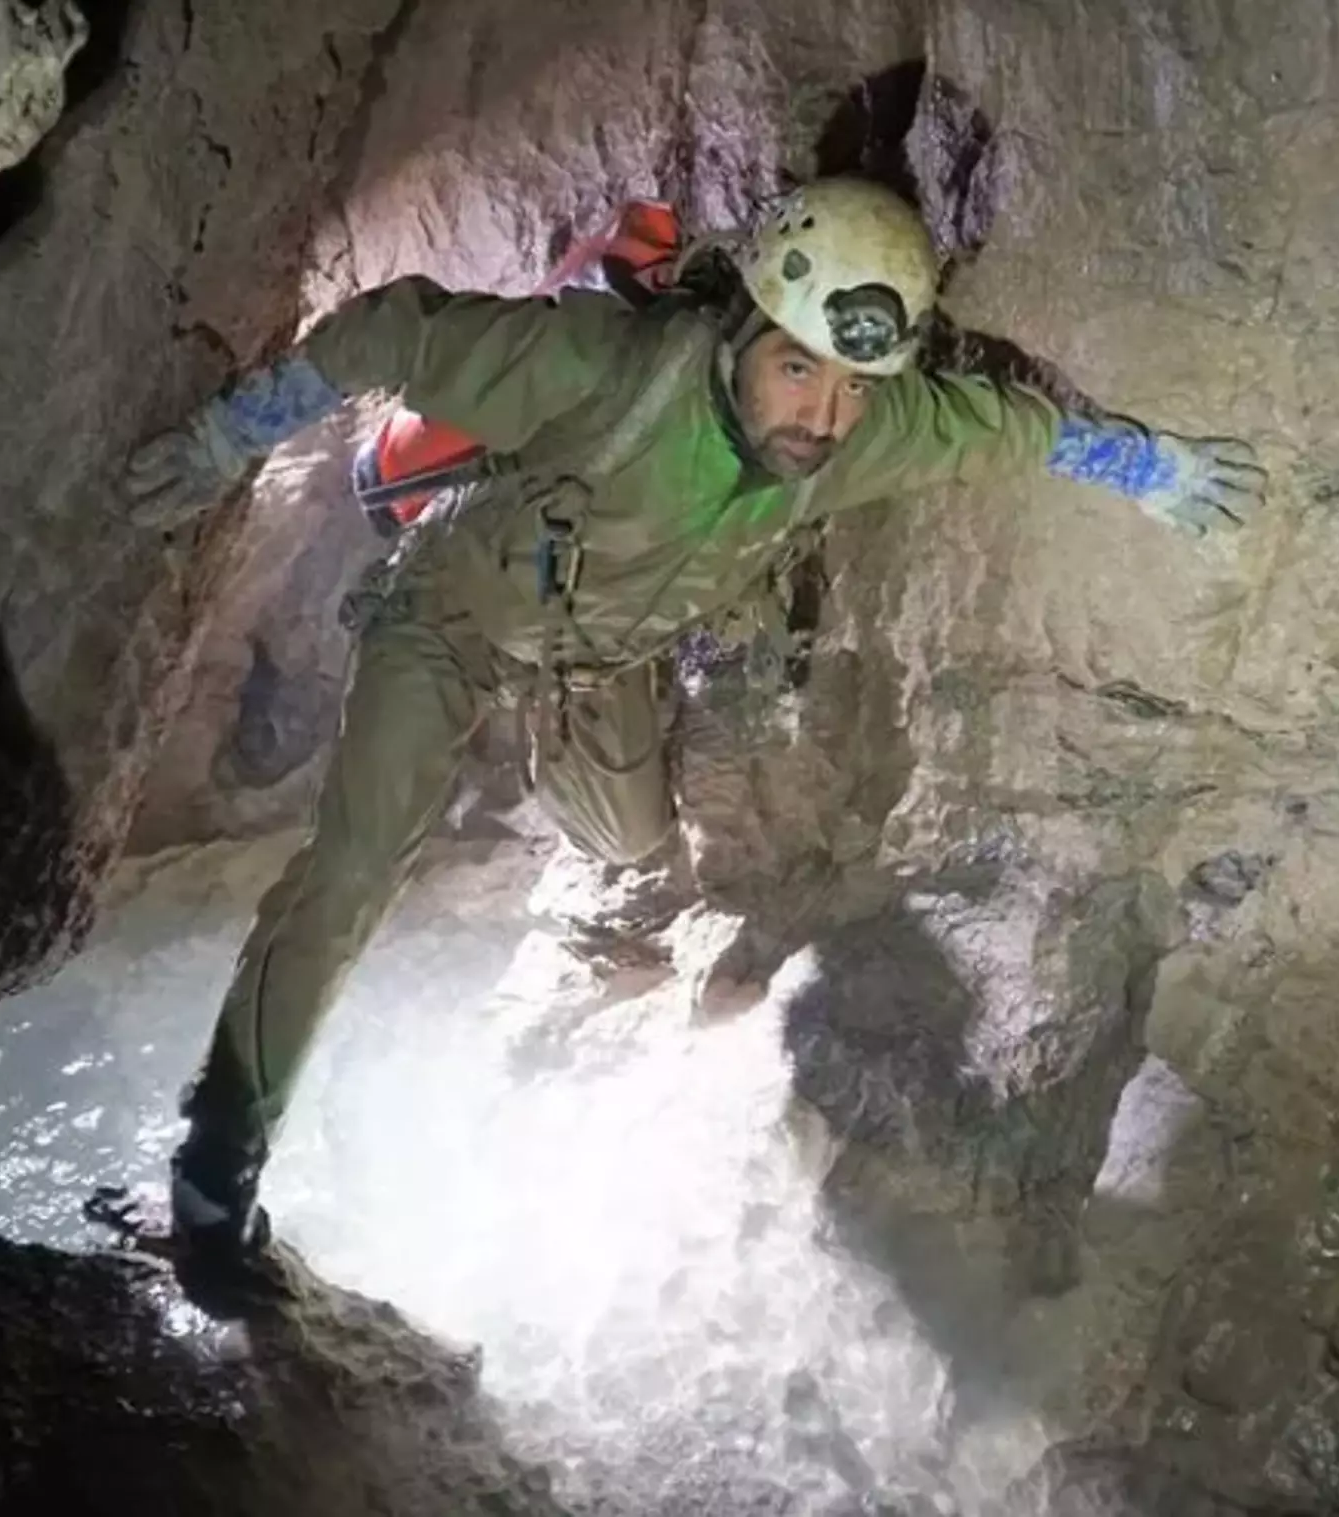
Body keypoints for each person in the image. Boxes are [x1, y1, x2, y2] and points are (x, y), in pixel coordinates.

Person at [124, 176, 1267, 1287]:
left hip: (593, 660)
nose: (822, 416)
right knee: (358, 868)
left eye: (855, 386)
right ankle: (219, 1159)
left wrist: (1153, 471)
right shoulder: (596, 368)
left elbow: (1010, 430)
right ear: (744, 330)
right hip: (454, 625)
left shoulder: (865, 432)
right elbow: (388, 330)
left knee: (624, 844)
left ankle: (542, 781)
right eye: (798, 369)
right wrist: (230, 439)